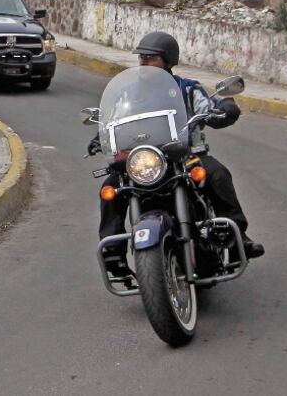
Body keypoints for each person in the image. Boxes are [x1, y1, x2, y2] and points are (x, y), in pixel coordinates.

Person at [93, 32, 264, 278]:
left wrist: (224, 109)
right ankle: (113, 253)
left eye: (150, 59)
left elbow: (209, 109)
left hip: (185, 156)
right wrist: (100, 135)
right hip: (145, 160)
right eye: (141, 58)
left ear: (168, 61)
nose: (143, 64)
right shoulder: (128, 94)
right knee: (111, 187)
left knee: (217, 174)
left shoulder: (187, 88)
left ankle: (238, 238)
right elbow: (114, 120)